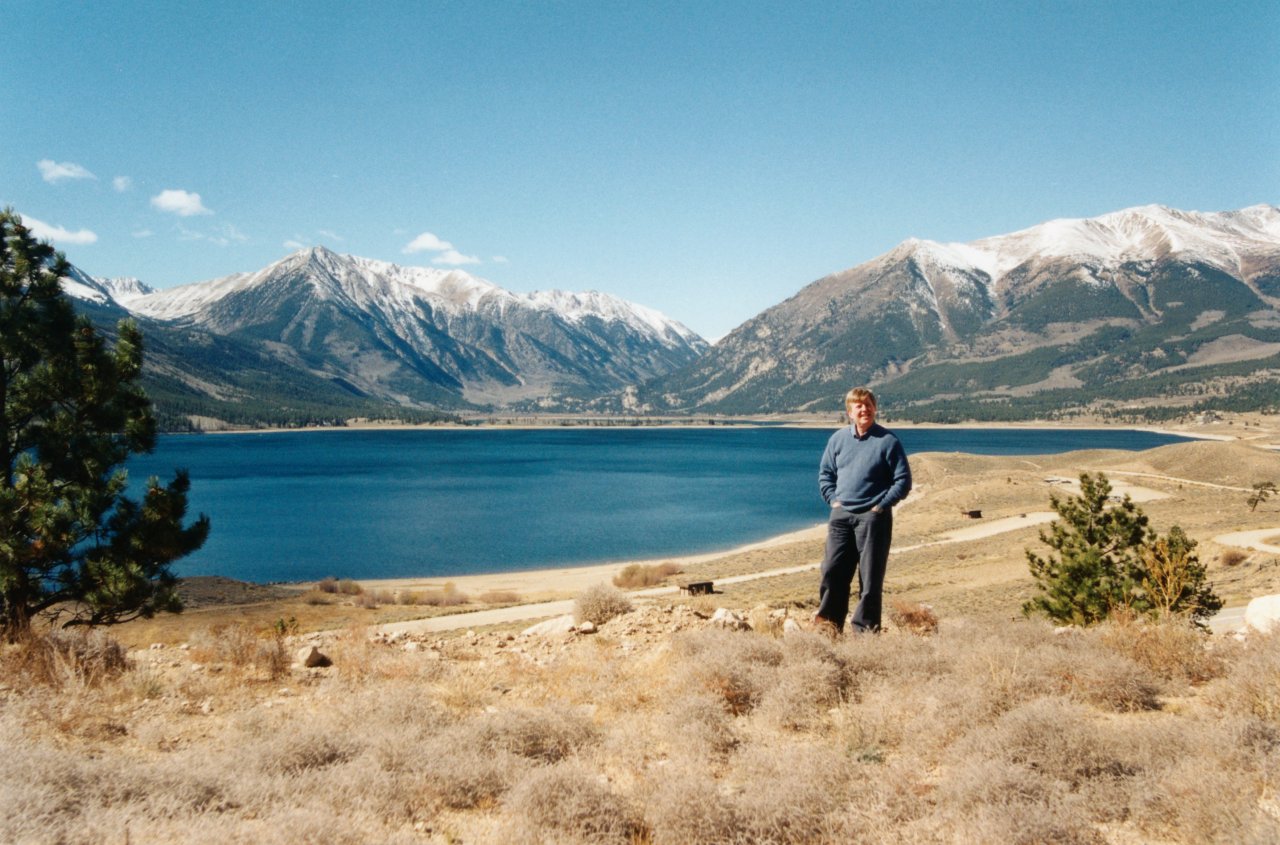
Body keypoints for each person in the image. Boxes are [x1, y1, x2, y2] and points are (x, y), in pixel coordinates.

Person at [815, 387, 912, 634]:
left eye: (868, 404)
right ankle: (829, 627)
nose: (864, 409)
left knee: (869, 580)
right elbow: (826, 474)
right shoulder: (838, 439)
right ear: (849, 412)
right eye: (858, 406)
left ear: (875, 409)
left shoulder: (888, 441)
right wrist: (834, 501)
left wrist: (880, 506)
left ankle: (865, 634)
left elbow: (903, 481)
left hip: (872, 519)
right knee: (832, 572)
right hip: (841, 516)